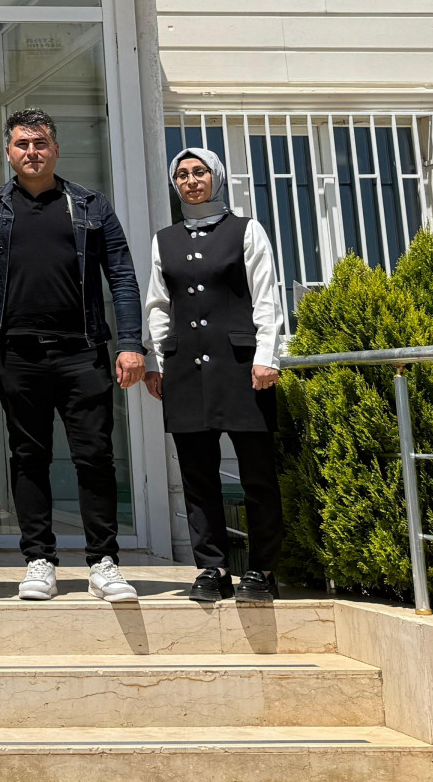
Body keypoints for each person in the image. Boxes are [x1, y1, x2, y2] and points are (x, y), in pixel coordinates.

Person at [0, 107, 145, 604]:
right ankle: (39, 561)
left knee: (95, 457)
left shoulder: (90, 204)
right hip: (14, 354)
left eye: (40, 143)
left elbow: (122, 276)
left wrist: (131, 343)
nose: (32, 152)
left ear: (56, 149)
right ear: (8, 152)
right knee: (28, 457)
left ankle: (103, 562)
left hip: (81, 352)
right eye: (22, 144)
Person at [145, 146, 288, 604]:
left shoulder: (247, 231)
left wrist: (268, 356)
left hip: (243, 368)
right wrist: (158, 362)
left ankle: (263, 569)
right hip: (185, 371)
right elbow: (158, 306)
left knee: (257, 475)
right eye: (182, 175)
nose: (190, 181)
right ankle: (213, 568)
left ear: (217, 177)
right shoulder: (163, 240)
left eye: (199, 172)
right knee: (197, 476)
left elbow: (266, 298)